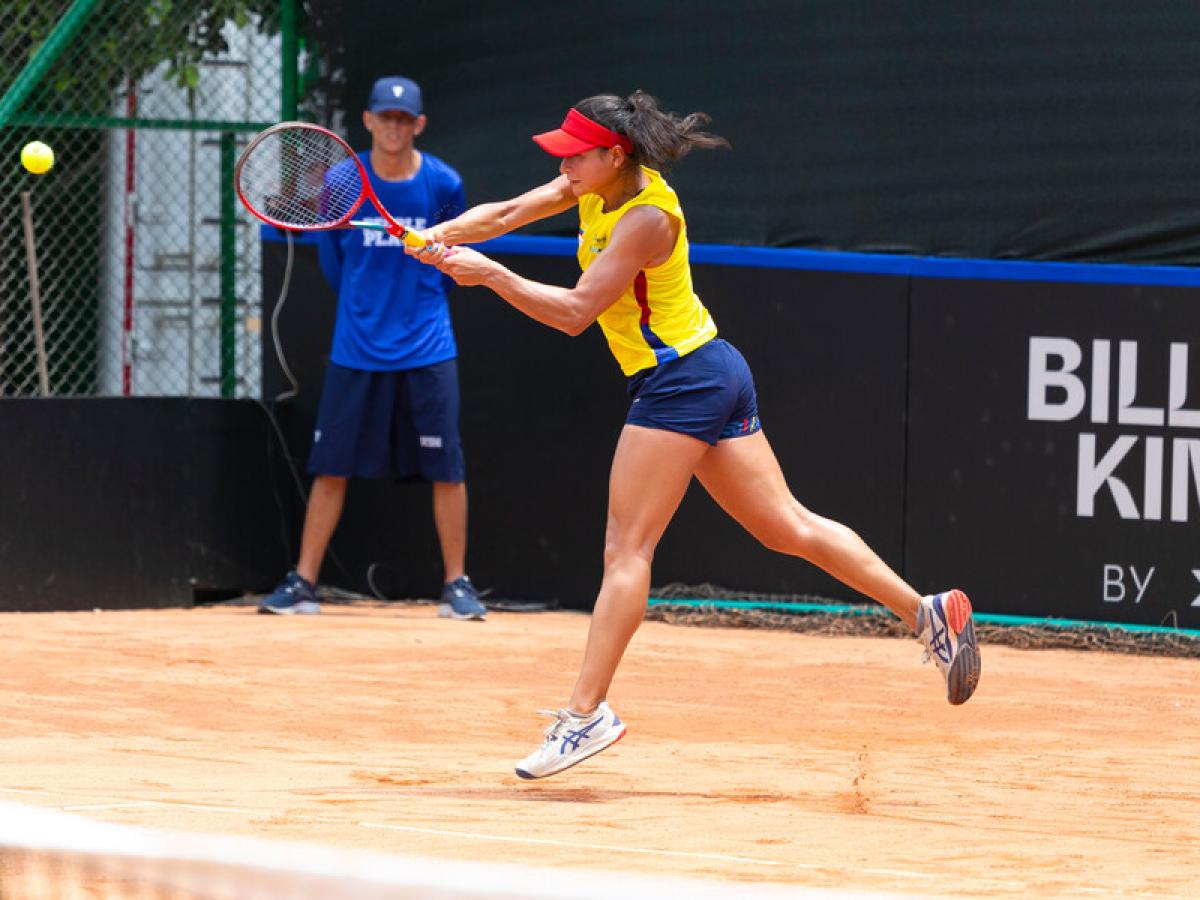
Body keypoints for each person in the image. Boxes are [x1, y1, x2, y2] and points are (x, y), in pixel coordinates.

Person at [409, 91, 980, 777]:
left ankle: (586, 714)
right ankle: (927, 615)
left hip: (681, 381)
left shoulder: (648, 217)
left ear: (613, 155)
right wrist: (440, 236)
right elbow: (504, 213)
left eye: (574, 154)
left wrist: (490, 275)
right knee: (786, 527)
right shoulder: (590, 181)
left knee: (627, 549)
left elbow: (576, 312)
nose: (564, 166)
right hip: (711, 368)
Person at [260, 76, 486, 621]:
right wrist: (366, 308)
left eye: (403, 120)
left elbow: (454, 256)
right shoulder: (344, 178)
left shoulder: (442, 183)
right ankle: (303, 582)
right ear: (368, 121)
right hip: (355, 350)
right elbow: (333, 259)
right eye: (385, 117)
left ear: (419, 125)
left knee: (447, 468)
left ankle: (457, 585)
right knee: (330, 467)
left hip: (428, 347)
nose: (393, 127)